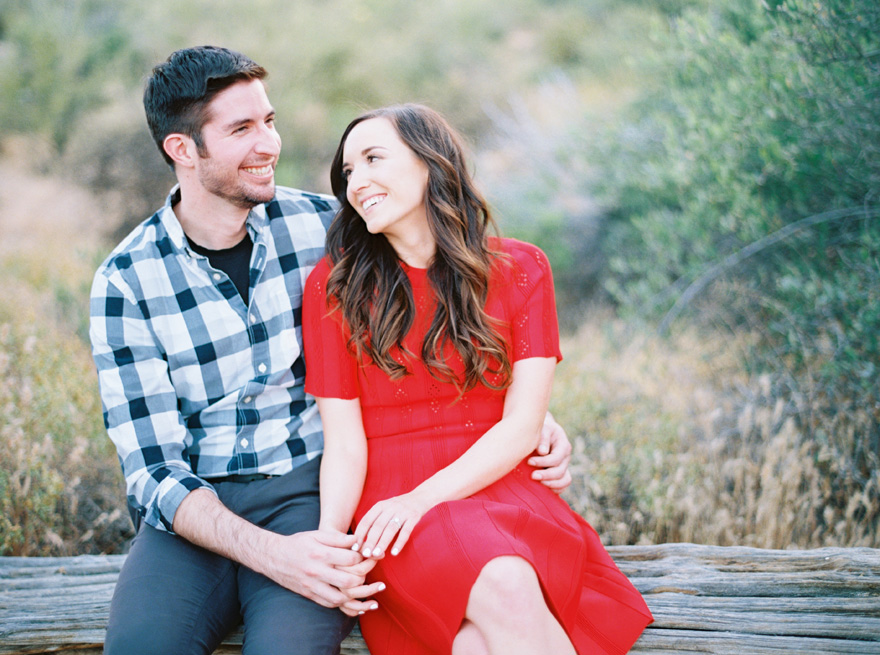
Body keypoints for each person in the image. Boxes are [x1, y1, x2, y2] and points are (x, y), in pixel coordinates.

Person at [89, 46, 575, 655]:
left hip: (308, 491)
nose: (270, 143)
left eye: (268, 120)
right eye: (242, 129)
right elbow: (153, 469)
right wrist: (273, 555)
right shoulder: (127, 281)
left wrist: (528, 413)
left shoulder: (331, 227)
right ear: (182, 150)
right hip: (195, 508)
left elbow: (441, 298)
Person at [303, 104, 653, 655]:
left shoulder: (522, 269)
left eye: (373, 159)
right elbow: (344, 444)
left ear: (430, 163)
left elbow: (522, 426)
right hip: (390, 504)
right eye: (348, 171)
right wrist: (333, 543)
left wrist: (420, 500)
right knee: (507, 585)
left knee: (475, 642)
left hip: (499, 483)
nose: (357, 182)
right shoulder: (335, 286)